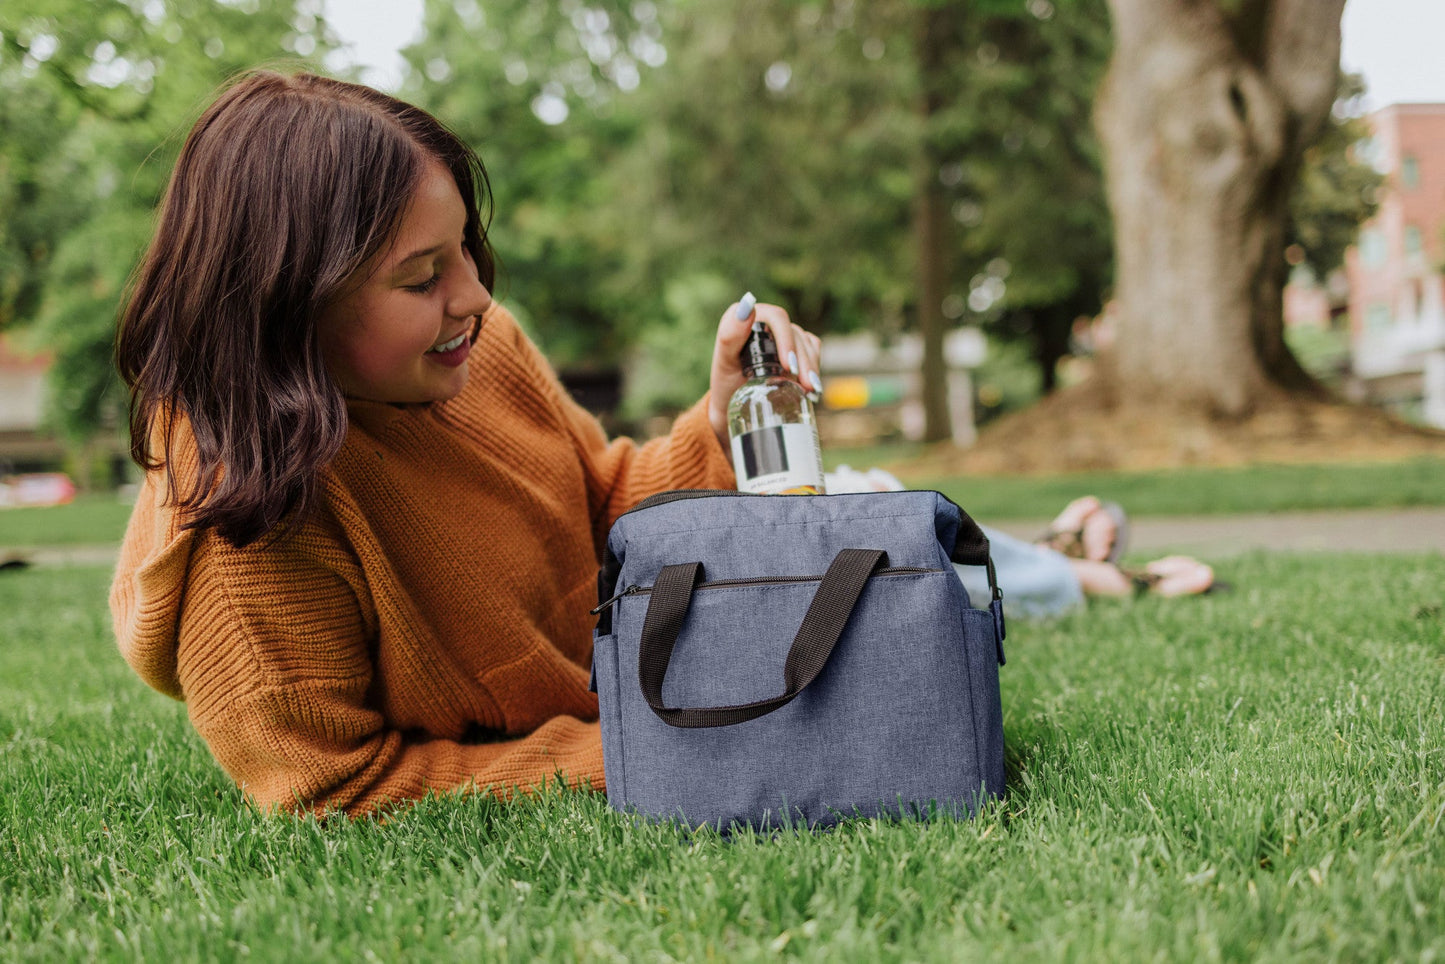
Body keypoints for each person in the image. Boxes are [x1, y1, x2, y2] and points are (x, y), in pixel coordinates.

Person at [110, 70, 824, 817]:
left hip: (642, 683)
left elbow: (604, 506)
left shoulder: (477, 348)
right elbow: (334, 787)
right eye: (422, 279)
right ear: (290, 308)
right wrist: (631, 754)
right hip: (628, 723)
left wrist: (719, 413)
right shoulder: (249, 524)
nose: (477, 297)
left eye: (462, 249)